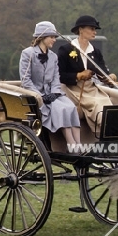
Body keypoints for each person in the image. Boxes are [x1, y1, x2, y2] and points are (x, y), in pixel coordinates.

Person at [20, 21, 81, 152]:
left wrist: (54, 93)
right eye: (51, 37)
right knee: (61, 109)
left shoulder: (53, 56)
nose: (54, 40)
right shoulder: (28, 53)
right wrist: (41, 96)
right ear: (42, 37)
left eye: (55, 37)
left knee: (70, 107)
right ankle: (71, 144)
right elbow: (26, 80)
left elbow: (55, 78)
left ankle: (79, 144)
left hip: (52, 94)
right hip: (36, 96)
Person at [57, 15, 118, 134]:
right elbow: (60, 76)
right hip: (72, 89)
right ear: (81, 29)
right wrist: (78, 75)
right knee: (98, 104)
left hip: (91, 88)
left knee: (111, 100)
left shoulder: (95, 52)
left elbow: (103, 71)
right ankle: (105, 131)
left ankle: (110, 130)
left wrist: (109, 77)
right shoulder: (65, 50)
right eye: (92, 29)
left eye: (95, 30)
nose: (94, 32)